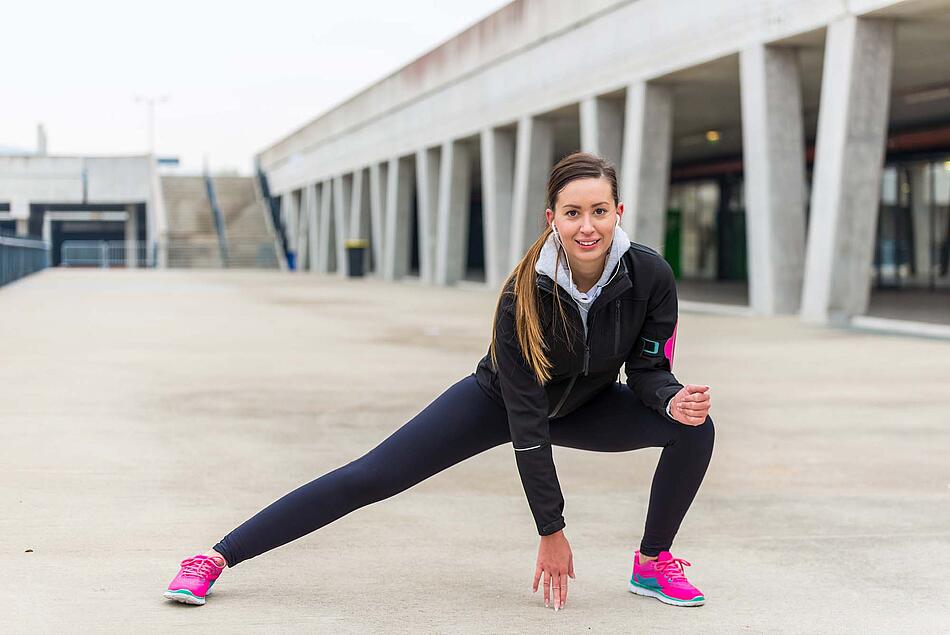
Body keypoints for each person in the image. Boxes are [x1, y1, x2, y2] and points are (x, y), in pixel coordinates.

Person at [164, 152, 714, 610]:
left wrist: (672, 401)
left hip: (587, 405)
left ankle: (651, 562)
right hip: (497, 403)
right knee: (368, 477)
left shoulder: (651, 275)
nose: (587, 226)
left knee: (696, 427)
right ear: (552, 218)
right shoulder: (523, 294)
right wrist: (551, 528)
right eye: (573, 213)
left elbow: (648, 369)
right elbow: (527, 417)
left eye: (599, 211)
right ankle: (213, 558)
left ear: (618, 211)